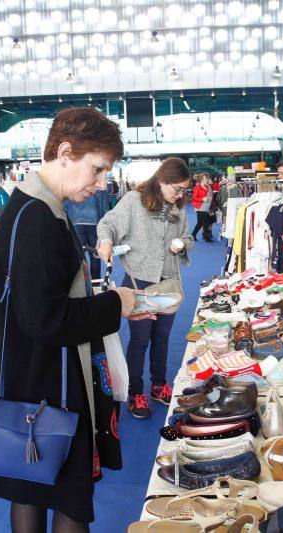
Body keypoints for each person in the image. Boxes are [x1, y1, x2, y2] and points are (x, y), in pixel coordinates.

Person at [0, 108, 150, 533]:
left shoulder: (35, 208)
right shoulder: (37, 217)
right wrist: (116, 304)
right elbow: (46, 319)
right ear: (66, 152)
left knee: (31, 490)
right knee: (69, 494)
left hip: (31, 380)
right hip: (48, 387)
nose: (100, 181)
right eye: (97, 168)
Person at [96, 157, 193, 420]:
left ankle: (159, 385)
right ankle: (135, 391)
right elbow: (108, 224)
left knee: (162, 339)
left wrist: (182, 244)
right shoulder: (133, 201)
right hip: (139, 283)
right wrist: (105, 242)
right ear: (162, 181)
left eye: (185, 190)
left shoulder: (178, 206)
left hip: (169, 281)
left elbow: (187, 236)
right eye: (177, 189)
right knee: (139, 341)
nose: (181, 195)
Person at [63, 188, 109, 280]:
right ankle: (96, 282)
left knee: (80, 255)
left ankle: (84, 283)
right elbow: (103, 204)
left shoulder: (73, 183)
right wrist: (104, 221)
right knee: (95, 254)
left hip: (76, 221)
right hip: (94, 221)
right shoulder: (98, 184)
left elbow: (65, 203)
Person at [190, 173, 214, 242]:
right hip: (201, 208)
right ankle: (207, 237)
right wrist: (202, 199)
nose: (207, 179)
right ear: (201, 180)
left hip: (206, 207)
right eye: (206, 178)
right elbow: (194, 198)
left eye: (207, 178)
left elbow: (210, 193)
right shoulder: (197, 187)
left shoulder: (207, 186)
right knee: (205, 223)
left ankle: (193, 235)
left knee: (200, 223)